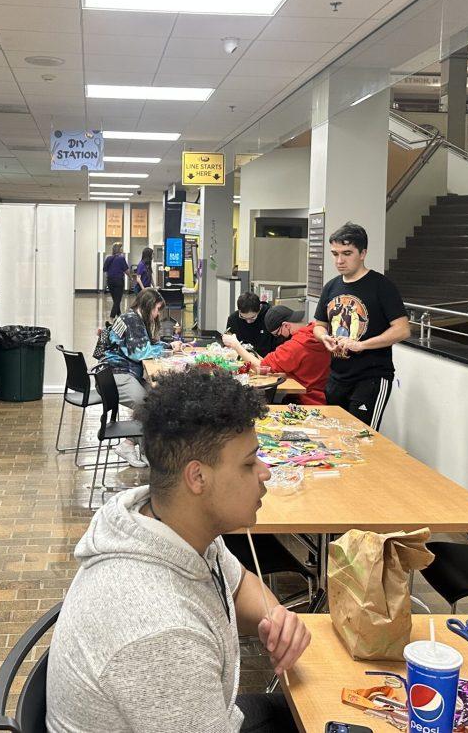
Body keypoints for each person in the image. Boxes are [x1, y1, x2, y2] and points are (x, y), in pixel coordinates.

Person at [46, 367, 310, 733]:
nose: (265, 473)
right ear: (197, 477)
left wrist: (274, 616)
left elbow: (236, 584)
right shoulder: (160, 635)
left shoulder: (171, 521)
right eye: (249, 463)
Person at [313, 222, 409, 429]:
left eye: (347, 253)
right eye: (335, 254)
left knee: (361, 438)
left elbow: (402, 329)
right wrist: (324, 337)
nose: (339, 260)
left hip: (371, 376)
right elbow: (318, 325)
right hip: (337, 375)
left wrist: (362, 345)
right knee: (335, 436)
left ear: (363, 253)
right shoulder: (331, 286)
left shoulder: (381, 286)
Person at [99, 287, 181, 468]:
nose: (157, 314)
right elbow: (140, 352)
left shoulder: (131, 318)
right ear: (149, 306)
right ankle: (137, 447)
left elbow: (144, 344)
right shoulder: (132, 321)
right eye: (157, 309)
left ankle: (135, 446)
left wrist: (165, 345)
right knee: (148, 403)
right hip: (116, 376)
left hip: (119, 372)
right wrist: (168, 349)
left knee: (159, 397)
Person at [223, 305, 330, 405]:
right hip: (322, 395)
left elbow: (261, 367)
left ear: (286, 325)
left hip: (306, 400)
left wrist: (236, 345)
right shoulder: (317, 331)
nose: (280, 336)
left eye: (278, 333)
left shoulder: (296, 346)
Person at [226, 292, 277, 357]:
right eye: (243, 317)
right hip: (241, 360)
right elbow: (229, 346)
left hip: (266, 361)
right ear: (239, 310)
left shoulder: (270, 317)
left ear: (260, 308)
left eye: (253, 317)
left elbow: (278, 347)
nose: (248, 322)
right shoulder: (233, 319)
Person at [102, 243, 129, 320]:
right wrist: (130, 277)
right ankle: (112, 317)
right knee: (117, 300)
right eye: (121, 248)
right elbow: (126, 270)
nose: (122, 249)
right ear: (119, 249)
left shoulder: (108, 258)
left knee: (115, 299)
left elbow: (104, 269)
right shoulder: (121, 258)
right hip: (118, 281)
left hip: (110, 281)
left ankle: (119, 315)